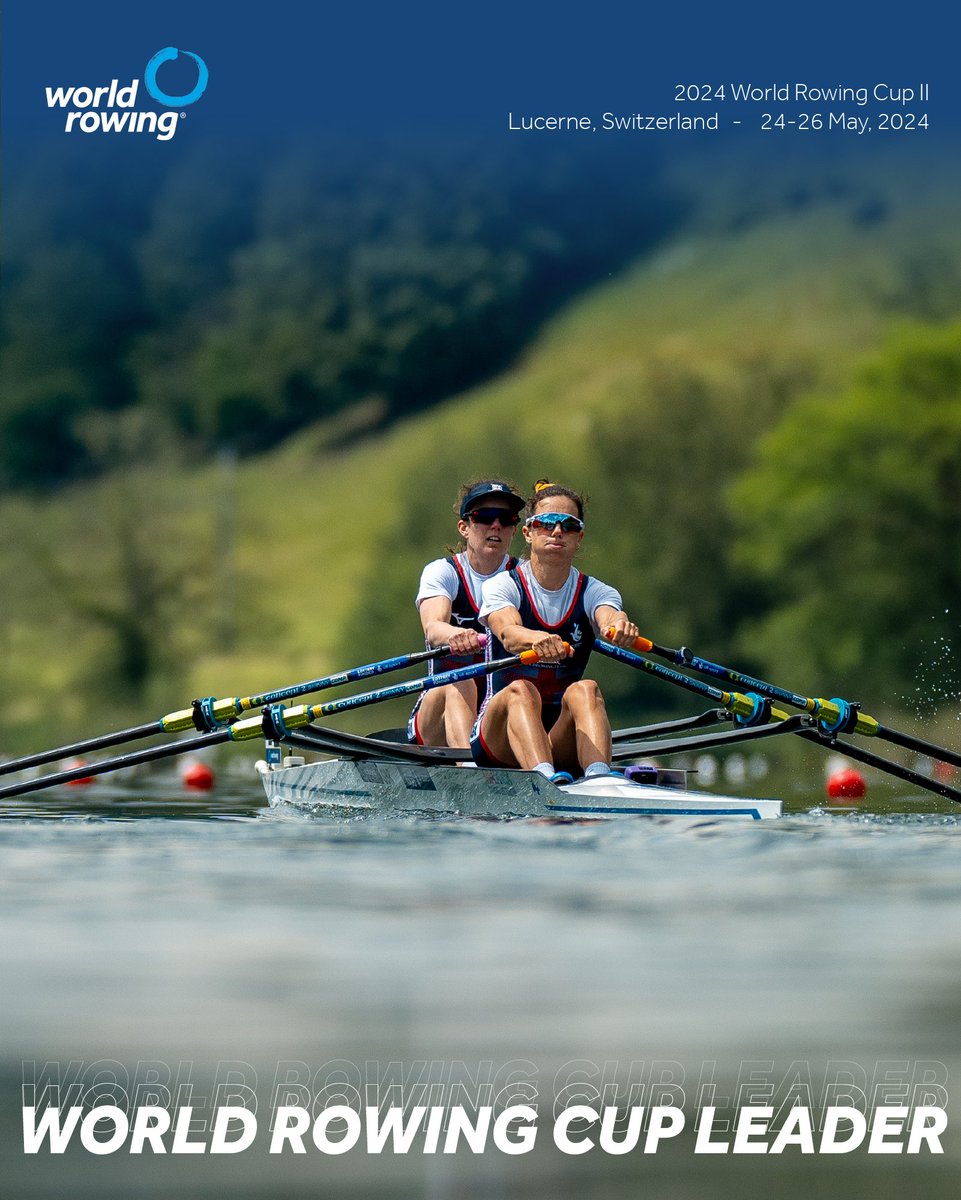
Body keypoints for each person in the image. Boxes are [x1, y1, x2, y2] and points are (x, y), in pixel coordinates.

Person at [470, 480, 640, 782]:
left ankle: (601, 781)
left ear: (580, 536)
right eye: (546, 523)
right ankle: (544, 779)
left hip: (560, 733)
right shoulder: (502, 586)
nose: (557, 531)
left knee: (586, 688)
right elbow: (508, 633)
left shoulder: (596, 591)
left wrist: (619, 627)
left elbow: (610, 616)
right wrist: (538, 639)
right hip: (500, 737)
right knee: (522, 690)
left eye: (568, 525)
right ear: (529, 532)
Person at [408, 479, 526, 748]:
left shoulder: (525, 578)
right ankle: (470, 769)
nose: (495, 525)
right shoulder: (443, 572)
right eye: (484, 517)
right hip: (436, 716)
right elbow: (434, 628)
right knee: (461, 679)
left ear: (514, 530)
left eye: (506, 519)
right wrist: (457, 634)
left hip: (496, 715)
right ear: (464, 527)